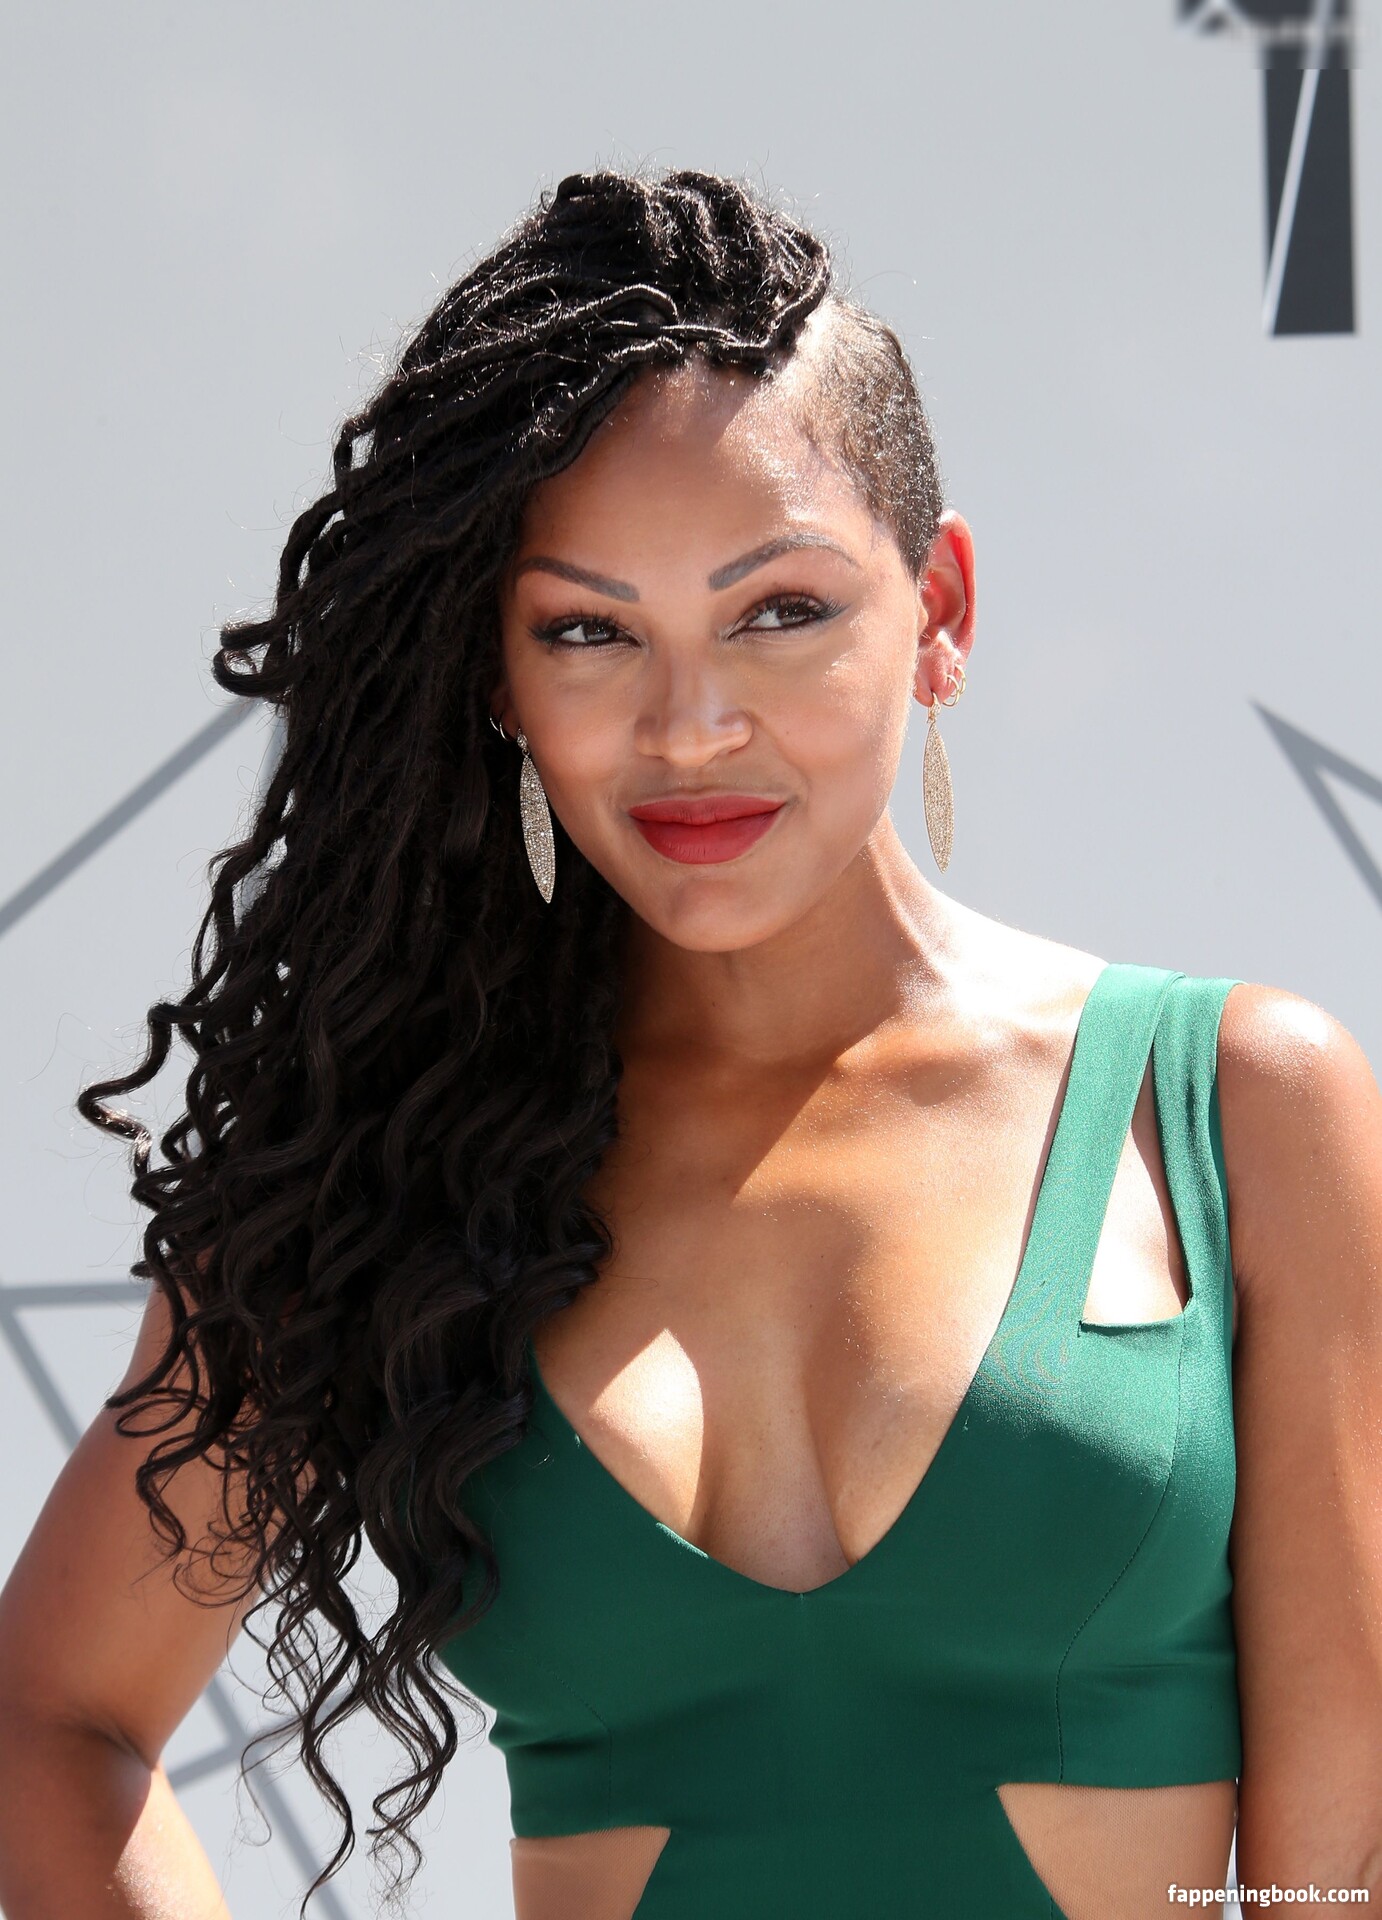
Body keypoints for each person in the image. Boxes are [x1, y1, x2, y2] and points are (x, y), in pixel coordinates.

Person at [0, 165, 1378, 1920]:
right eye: (589, 632)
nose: (691, 725)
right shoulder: (386, 1159)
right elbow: (49, 1723)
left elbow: (1347, 1863)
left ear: (940, 612)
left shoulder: (1236, 1106)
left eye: (778, 611)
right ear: (500, 680)